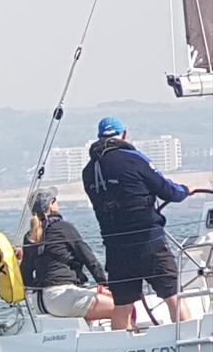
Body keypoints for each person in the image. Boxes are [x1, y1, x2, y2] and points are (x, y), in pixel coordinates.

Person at [82, 116, 191, 330]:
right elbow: (168, 190)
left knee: (122, 305)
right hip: (149, 244)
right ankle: (190, 344)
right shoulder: (133, 159)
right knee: (172, 296)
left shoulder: (88, 172)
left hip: (116, 250)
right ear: (124, 134)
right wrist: (185, 190)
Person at [20, 187, 114, 321]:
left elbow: (25, 275)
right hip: (60, 298)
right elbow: (90, 260)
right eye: (55, 200)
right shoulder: (64, 228)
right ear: (51, 206)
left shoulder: (29, 236)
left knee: (98, 301)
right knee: (122, 308)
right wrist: (106, 285)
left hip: (39, 301)